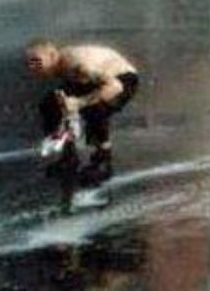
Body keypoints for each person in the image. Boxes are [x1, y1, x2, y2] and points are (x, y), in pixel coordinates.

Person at [26, 39, 139, 187]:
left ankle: (102, 161)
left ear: (53, 55)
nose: (32, 68)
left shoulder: (77, 64)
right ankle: (69, 157)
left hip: (121, 80)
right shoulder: (61, 66)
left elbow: (115, 87)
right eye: (29, 63)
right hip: (95, 80)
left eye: (36, 62)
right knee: (50, 104)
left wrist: (80, 103)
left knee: (95, 109)